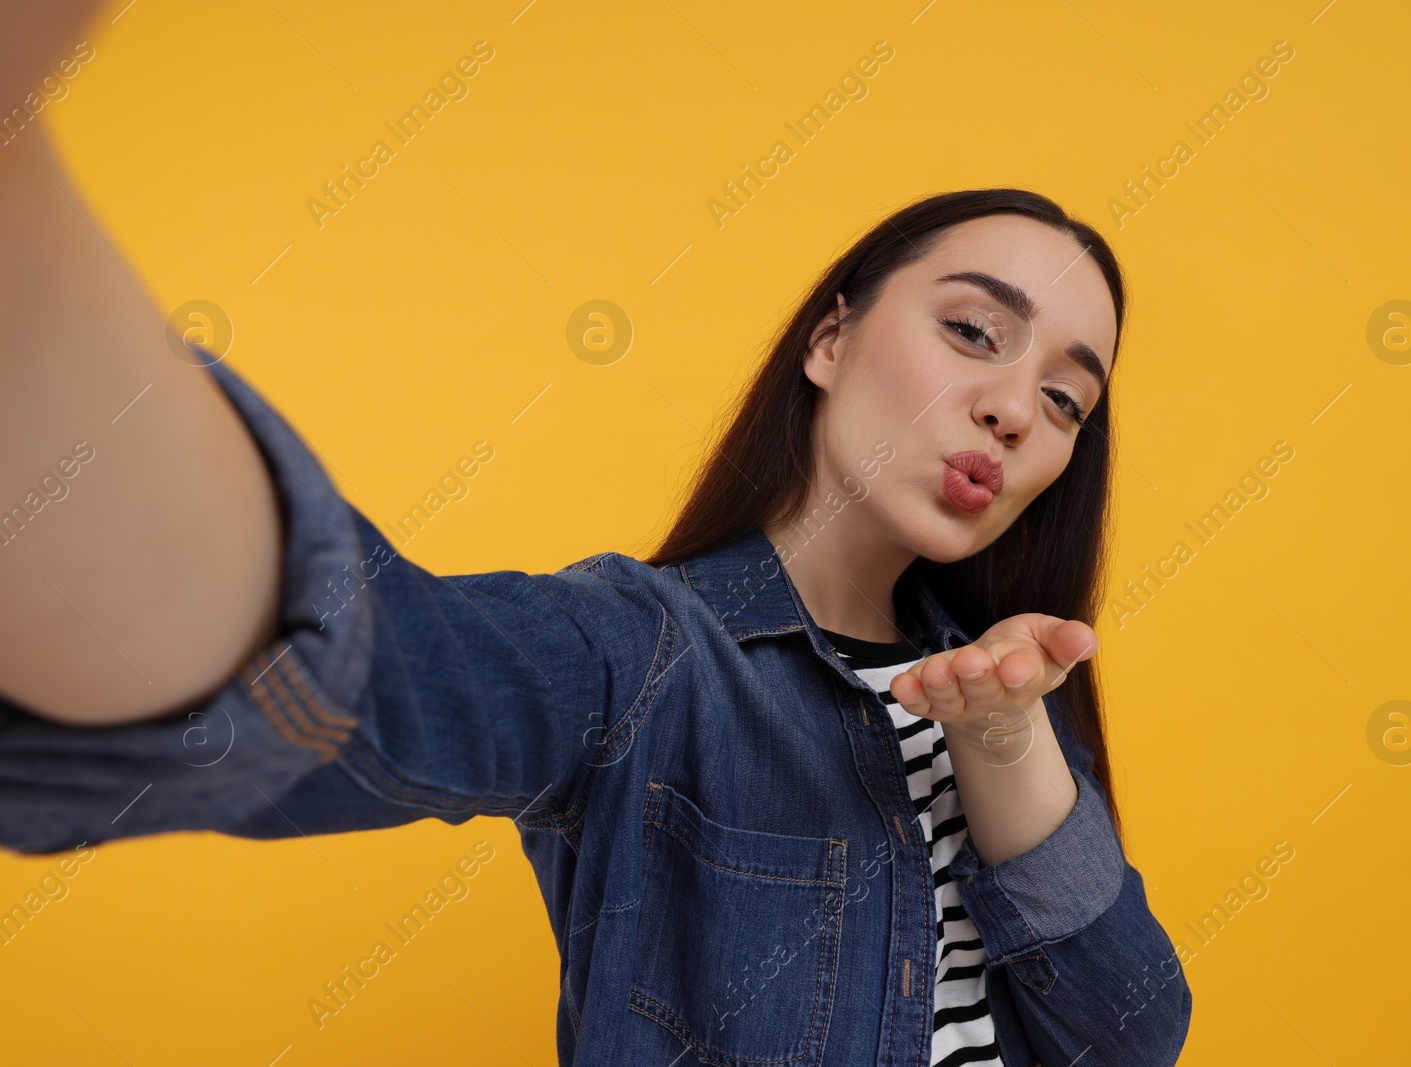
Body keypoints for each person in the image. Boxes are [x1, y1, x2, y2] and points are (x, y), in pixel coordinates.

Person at [0, 4, 1191, 1065]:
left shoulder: (1013, 693)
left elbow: (1134, 1032)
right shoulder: (641, 651)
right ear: (828, 342)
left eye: (1064, 400)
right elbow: (369, 679)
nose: (1012, 409)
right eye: (977, 333)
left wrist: (1001, 739)